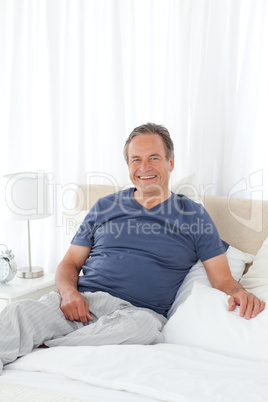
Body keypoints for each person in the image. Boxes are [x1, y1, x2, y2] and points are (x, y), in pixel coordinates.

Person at [0, 123, 265, 373]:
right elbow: (69, 263)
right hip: (79, 303)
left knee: (146, 330)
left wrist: (240, 293)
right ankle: (54, 343)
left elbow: (222, 279)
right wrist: (69, 294)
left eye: (154, 158)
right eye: (136, 159)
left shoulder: (194, 215)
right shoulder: (105, 207)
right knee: (17, 312)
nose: (144, 166)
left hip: (136, 314)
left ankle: (46, 350)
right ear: (128, 166)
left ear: (170, 163)